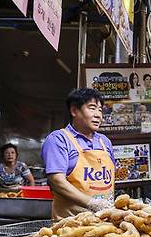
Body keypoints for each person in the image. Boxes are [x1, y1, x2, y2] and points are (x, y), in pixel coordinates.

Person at [41, 88, 116, 219]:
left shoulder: (105, 141)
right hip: (70, 226)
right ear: (74, 110)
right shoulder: (59, 139)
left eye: (100, 109)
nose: (98, 114)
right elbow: (56, 181)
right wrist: (91, 203)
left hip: (105, 222)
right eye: (92, 108)